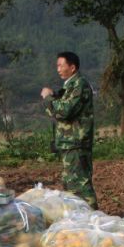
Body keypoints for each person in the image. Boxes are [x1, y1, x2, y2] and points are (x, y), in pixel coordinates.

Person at [41, 51, 98, 209]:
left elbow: (64, 111)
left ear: (72, 67)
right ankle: (80, 218)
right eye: (57, 66)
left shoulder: (80, 85)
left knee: (81, 184)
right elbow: (61, 109)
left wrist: (48, 98)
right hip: (69, 143)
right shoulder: (70, 86)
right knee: (70, 185)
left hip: (76, 143)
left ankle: (93, 217)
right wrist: (54, 96)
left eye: (61, 65)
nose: (58, 69)